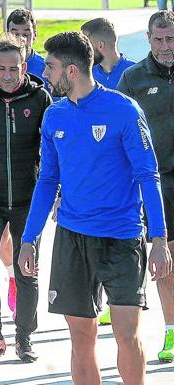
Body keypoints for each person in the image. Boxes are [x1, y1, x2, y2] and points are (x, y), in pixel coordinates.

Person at [19, 31, 172, 385]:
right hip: (72, 239)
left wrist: (159, 239)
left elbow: (149, 175)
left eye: (51, 67)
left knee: (126, 335)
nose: (45, 74)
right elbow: (46, 183)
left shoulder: (123, 110)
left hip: (121, 238)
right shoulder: (54, 116)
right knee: (81, 339)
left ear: (71, 71)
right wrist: (29, 239)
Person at [0, 34, 52, 365]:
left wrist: (56, 192)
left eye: (13, 69)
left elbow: (52, 150)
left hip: (28, 199)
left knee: (26, 267)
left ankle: (23, 337)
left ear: (24, 66)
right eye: (1, 68)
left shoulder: (40, 98)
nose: (6, 75)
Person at [117, 10, 174, 363]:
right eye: (159, 39)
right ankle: (171, 332)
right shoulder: (133, 78)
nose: (166, 46)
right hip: (158, 183)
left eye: (171, 39)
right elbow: (118, 130)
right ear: (149, 39)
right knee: (166, 260)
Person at [0, 8, 46, 89]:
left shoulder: (45, 67)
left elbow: (55, 101)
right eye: (15, 34)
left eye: (25, 35)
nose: (21, 39)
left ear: (34, 35)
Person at [81, 18, 136, 89]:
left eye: (87, 45)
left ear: (100, 45)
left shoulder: (135, 73)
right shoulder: (87, 75)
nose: (84, 50)